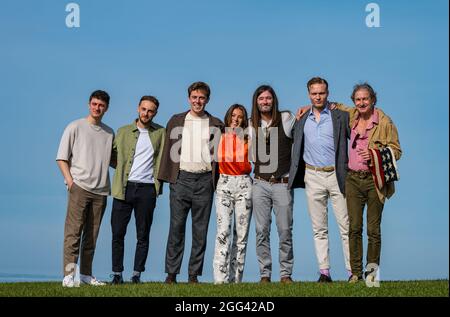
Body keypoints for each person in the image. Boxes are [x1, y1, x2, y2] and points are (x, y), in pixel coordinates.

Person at [158, 82, 224, 284]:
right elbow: (166, 151)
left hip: (205, 180)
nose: (198, 101)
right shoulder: (177, 120)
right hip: (181, 179)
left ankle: (193, 275)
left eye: (202, 98)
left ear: (207, 100)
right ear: (189, 99)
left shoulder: (216, 123)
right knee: (176, 227)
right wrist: (165, 180)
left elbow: (221, 154)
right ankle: (171, 273)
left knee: (200, 230)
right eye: (194, 97)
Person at [288, 77, 351, 283]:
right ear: (308, 94)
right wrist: (298, 118)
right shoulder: (302, 118)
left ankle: (353, 271)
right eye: (314, 93)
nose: (318, 96)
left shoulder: (340, 116)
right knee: (319, 228)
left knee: (346, 225)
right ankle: (324, 272)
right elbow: (290, 137)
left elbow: (359, 126)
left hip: (336, 174)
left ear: (328, 93)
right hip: (312, 175)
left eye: (321, 93)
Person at [339, 83, 402, 283]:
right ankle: (356, 274)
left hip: (375, 180)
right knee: (354, 227)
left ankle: (372, 275)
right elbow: (334, 106)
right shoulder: (352, 115)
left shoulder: (384, 122)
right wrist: (307, 108)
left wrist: (375, 154)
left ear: (373, 99)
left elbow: (397, 150)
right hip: (353, 179)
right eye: (358, 99)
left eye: (365, 99)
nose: (361, 102)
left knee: (373, 230)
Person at [56, 90, 114, 287]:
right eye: (94, 104)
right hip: (79, 187)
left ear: (106, 108)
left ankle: (86, 275)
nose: (97, 108)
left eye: (101, 105)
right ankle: (69, 276)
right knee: (73, 233)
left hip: (101, 191)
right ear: (89, 104)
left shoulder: (109, 132)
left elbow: (114, 160)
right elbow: (62, 158)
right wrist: (70, 182)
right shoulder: (75, 127)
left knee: (92, 236)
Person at [109, 96, 165, 284]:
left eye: (150, 111)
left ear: (155, 113)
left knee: (143, 234)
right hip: (124, 188)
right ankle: (117, 274)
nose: (146, 113)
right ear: (137, 109)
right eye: (143, 109)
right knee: (118, 233)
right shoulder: (123, 131)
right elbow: (110, 155)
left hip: (147, 189)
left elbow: (164, 159)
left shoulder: (161, 133)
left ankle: (136, 274)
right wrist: (122, 170)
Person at [250, 85, 296, 284]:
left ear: (273, 100)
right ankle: (264, 274)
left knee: (285, 229)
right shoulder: (251, 124)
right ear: (256, 102)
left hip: (282, 183)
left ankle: (285, 273)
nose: (265, 102)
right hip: (259, 183)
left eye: (268, 98)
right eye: (261, 99)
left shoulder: (286, 118)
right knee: (261, 230)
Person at [213, 104, 252, 284]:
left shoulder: (248, 138)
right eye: (233, 116)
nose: (236, 119)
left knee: (241, 235)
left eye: (240, 116)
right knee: (223, 232)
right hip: (225, 184)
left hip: (244, 183)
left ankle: (236, 280)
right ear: (228, 117)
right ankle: (220, 280)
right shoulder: (219, 136)